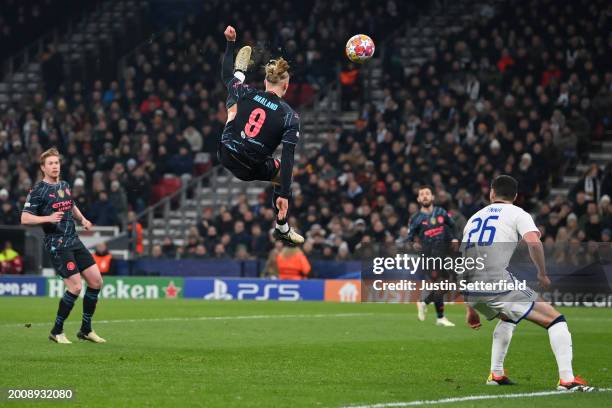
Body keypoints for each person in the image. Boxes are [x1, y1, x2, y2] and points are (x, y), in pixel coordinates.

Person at [462, 175, 593, 391]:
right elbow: (533, 242)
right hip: (497, 282)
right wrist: (542, 273)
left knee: (509, 317)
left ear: (491, 193)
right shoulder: (517, 213)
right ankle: (567, 380)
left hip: (471, 286)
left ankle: (496, 374)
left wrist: (470, 306)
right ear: (515, 196)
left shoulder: (473, 218)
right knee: (555, 319)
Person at [217, 25, 304, 246]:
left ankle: (241, 71)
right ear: (286, 85)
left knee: (233, 105)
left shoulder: (248, 92)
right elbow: (288, 158)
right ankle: (282, 228)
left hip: (225, 152)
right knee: (280, 171)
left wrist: (230, 43)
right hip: (250, 167)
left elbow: (225, 76)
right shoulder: (290, 117)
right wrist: (284, 193)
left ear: (266, 81)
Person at [21, 148, 106, 344]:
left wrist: (83, 219)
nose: (55, 166)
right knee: (76, 287)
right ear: (43, 168)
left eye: (57, 163)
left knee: (96, 282)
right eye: (50, 163)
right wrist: (47, 218)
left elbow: (71, 205)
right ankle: (57, 331)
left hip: (74, 239)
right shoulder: (37, 191)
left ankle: (86, 329)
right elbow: (24, 218)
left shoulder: (65, 185)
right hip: (57, 243)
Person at [408, 185, 459, 327]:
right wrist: (414, 243)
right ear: (418, 199)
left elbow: (453, 226)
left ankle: (425, 303)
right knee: (440, 283)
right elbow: (410, 236)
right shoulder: (416, 218)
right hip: (429, 255)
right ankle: (440, 318)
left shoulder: (441, 212)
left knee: (448, 284)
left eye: (427, 193)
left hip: (444, 254)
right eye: (422, 194)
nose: (425, 196)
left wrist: (454, 239)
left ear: (432, 197)